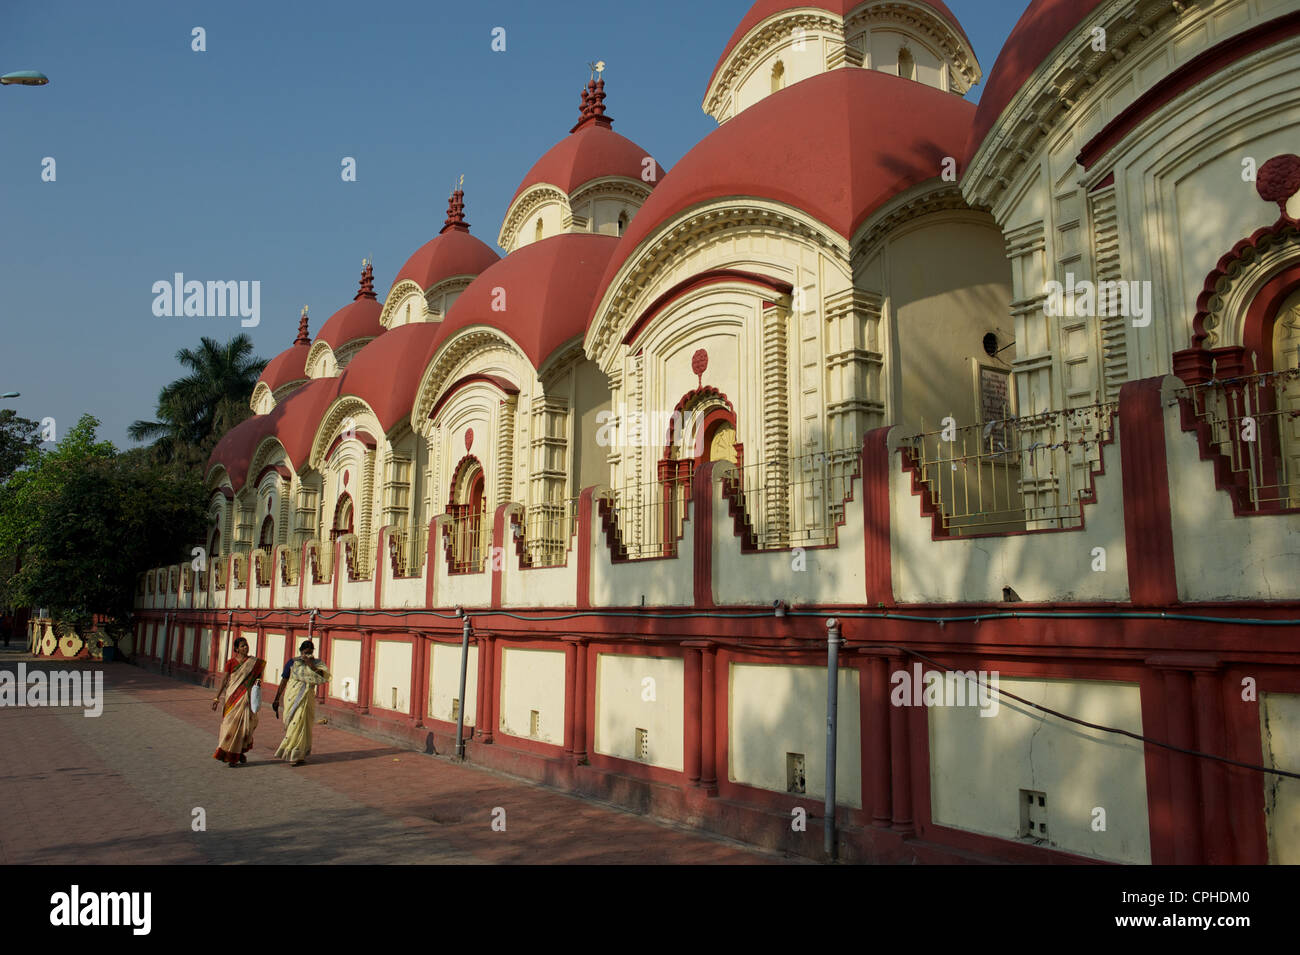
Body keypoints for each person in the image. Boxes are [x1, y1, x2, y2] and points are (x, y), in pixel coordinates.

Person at [272, 640, 330, 766]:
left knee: (303, 725)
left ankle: (299, 755)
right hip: (293, 697)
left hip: (307, 698)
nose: (308, 655)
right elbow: (284, 680)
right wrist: (277, 698)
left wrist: (311, 665)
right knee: (294, 724)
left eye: (310, 652)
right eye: (305, 653)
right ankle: (291, 753)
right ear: (301, 651)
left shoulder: (317, 663)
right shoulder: (293, 662)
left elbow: (323, 677)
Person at [210, 636, 266, 767]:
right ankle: (228, 754)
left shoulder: (254, 662)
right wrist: (216, 698)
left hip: (246, 698)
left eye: (246, 645)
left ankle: (238, 753)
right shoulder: (230, 663)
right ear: (236, 649)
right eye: (242, 646)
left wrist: (257, 683)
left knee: (245, 727)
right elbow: (224, 680)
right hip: (232, 698)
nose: (245, 647)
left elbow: (258, 677)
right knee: (229, 726)